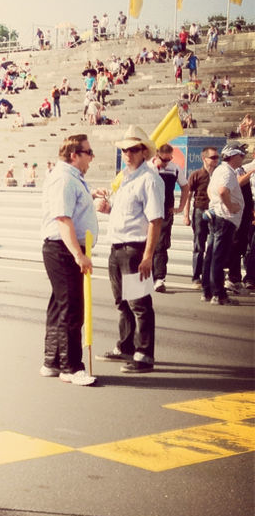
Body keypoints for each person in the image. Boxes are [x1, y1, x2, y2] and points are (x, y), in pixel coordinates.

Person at [94, 126, 164, 373]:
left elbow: (156, 220)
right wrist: (107, 209)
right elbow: (124, 212)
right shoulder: (125, 177)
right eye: (124, 149)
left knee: (139, 304)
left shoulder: (150, 179)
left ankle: (144, 355)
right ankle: (125, 346)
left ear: (144, 151)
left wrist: (148, 256)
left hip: (135, 250)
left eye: (133, 149)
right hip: (117, 248)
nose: (128, 153)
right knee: (121, 302)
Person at [40, 135, 99, 386]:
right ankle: (71, 366)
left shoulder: (71, 178)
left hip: (63, 248)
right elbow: (63, 219)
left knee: (60, 305)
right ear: (74, 155)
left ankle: (52, 361)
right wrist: (79, 254)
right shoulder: (64, 178)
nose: (91, 157)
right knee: (72, 308)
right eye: (88, 152)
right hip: (63, 249)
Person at [202, 143, 247, 304]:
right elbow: (222, 191)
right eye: (241, 155)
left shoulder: (219, 170)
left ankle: (207, 291)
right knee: (218, 257)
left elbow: (210, 190)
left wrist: (215, 205)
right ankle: (218, 294)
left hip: (217, 216)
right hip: (225, 218)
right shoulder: (227, 172)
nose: (243, 158)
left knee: (211, 256)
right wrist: (230, 207)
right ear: (234, 156)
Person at [178, 146, 219, 287]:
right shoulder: (196, 175)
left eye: (217, 157)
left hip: (216, 211)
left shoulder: (219, 174)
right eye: (213, 157)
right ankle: (196, 277)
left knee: (215, 246)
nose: (216, 160)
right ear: (204, 159)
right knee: (199, 245)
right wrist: (186, 215)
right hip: (200, 211)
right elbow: (188, 196)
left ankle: (211, 277)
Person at [150, 142, 181, 292]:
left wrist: (180, 207)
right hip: (147, 212)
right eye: (164, 159)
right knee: (144, 244)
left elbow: (186, 186)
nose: (167, 162)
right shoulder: (148, 168)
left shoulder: (174, 168)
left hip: (165, 213)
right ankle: (146, 277)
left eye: (169, 159)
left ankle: (159, 278)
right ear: (157, 156)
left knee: (161, 245)